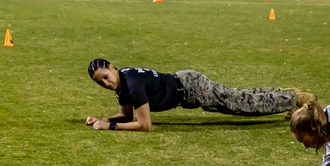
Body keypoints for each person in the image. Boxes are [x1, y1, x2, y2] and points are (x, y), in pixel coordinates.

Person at [84, 59, 301, 132]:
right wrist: (103, 120)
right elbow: (127, 117)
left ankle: (296, 100)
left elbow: (144, 125)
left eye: (105, 76)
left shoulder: (132, 85)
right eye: (100, 82)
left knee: (239, 103)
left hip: (192, 88)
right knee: (237, 97)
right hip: (186, 85)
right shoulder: (124, 81)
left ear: (112, 67)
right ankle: (285, 95)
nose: (106, 83)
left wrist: (110, 127)